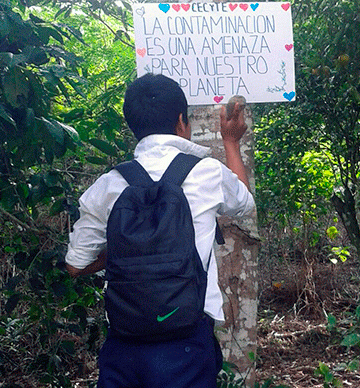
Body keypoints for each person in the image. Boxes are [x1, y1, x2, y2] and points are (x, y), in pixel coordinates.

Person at [64, 73, 255, 388]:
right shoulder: (206, 172)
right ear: (182, 122)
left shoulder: (108, 185)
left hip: (124, 344)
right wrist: (231, 141)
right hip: (186, 341)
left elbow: (75, 265)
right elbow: (244, 205)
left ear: (132, 126)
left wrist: (125, 251)